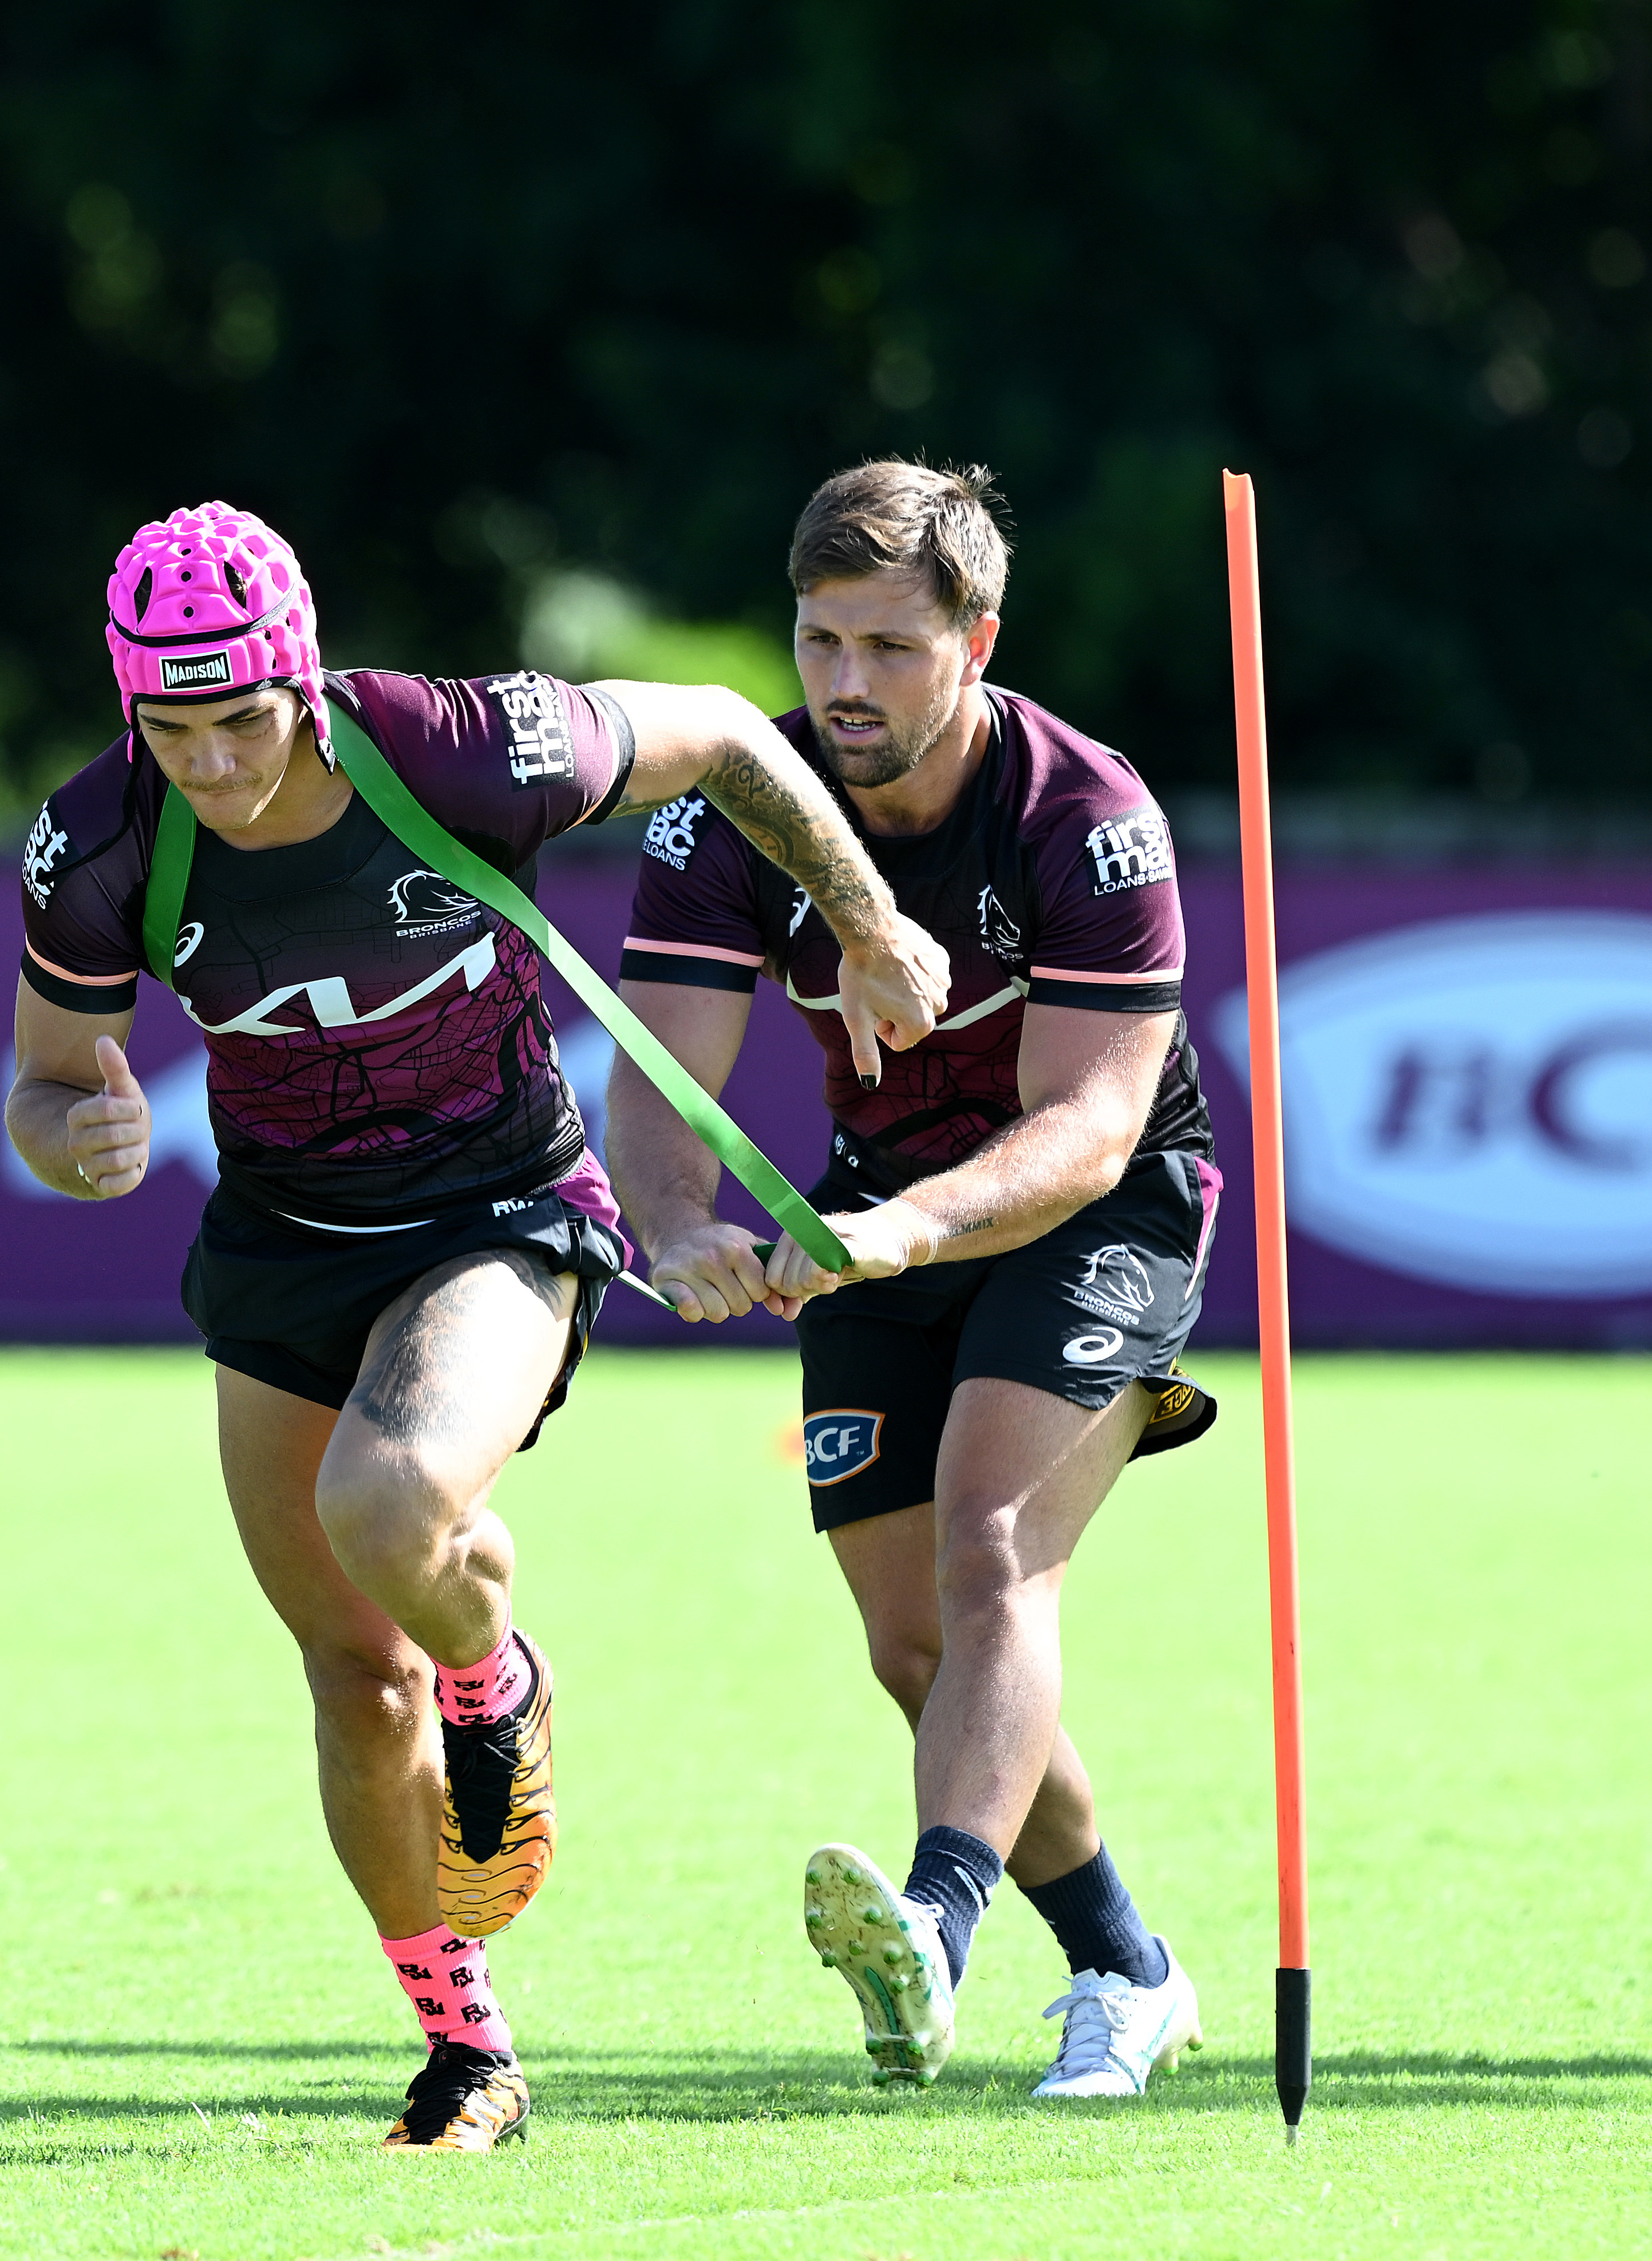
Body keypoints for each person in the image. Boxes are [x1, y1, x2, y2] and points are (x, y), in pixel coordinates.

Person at [7, 502, 949, 2149]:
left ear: (299, 682)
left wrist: (865, 921)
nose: (214, 765)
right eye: (173, 726)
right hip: (280, 1242)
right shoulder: (93, 848)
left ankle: (498, 1679)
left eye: (241, 719)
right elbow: (41, 1078)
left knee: (379, 1508)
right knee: (348, 1673)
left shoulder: (460, 746)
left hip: (499, 1210)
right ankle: (464, 2047)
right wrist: (61, 1137)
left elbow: (728, 734)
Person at [603, 461, 1219, 2097]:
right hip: (874, 1217)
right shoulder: (732, 814)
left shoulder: (1084, 817)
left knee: (990, 1543)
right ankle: (1127, 1972)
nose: (844, 686)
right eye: (817, 644)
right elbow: (661, 1089)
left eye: (887, 647)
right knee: (917, 1653)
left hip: (1094, 1213)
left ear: (977, 637)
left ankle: (932, 1935)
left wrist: (903, 1230)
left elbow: (1089, 1127)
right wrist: (671, 1227)